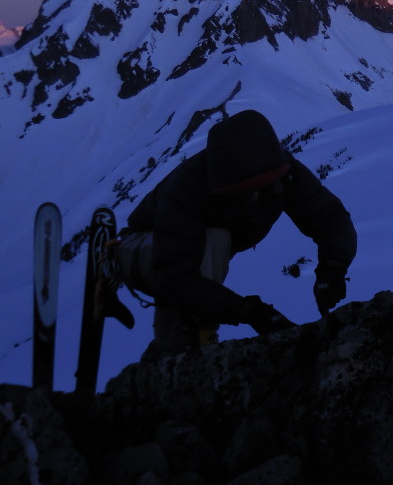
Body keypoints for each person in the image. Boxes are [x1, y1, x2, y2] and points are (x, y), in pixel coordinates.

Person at [111, 109, 357, 357]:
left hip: (187, 257)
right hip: (143, 249)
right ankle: (182, 354)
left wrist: (333, 268)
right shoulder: (188, 188)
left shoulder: (283, 172)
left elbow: (330, 218)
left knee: (210, 251)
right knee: (213, 245)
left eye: (264, 190)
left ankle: (178, 354)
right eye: (244, 194)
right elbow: (174, 275)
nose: (254, 202)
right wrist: (245, 310)